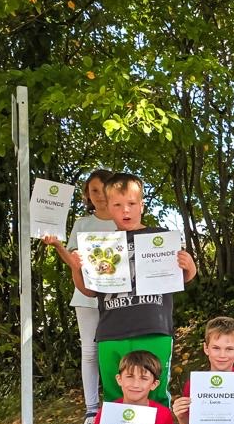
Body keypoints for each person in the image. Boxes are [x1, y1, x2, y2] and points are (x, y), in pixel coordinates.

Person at [68, 172, 196, 406]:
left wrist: (189, 267)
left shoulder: (161, 237)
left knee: (156, 394)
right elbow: (88, 291)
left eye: (131, 204)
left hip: (154, 328)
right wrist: (77, 269)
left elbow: (183, 279)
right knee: (115, 396)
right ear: (108, 207)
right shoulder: (100, 245)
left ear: (142, 206)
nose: (125, 210)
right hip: (111, 332)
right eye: (117, 205)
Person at [42, 168, 115, 424]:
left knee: (113, 351)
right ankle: (91, 411)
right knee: (90, 351)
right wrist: (58, 247)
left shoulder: (124, 220)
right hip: (86, 296)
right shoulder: (83, 224)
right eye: (94, 190)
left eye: (104, 189)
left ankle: (114, 406)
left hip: (118, 297)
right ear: (87, 194)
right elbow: (74, 259)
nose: (99, 195)